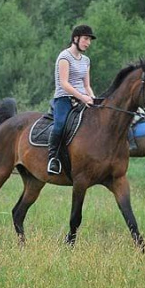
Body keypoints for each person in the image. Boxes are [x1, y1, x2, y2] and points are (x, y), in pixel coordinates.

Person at [47, 24, 97, 175]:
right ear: (76, 38)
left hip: (83, 98)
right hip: (64, 98)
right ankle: (53, 158)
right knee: (60, 125)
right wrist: (82, 97)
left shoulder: (86, 60)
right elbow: (64, 83)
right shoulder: (64, 57)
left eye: (89, 40)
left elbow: (87, 85)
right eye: (86, 39)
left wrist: (93, 99)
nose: (88, 43)